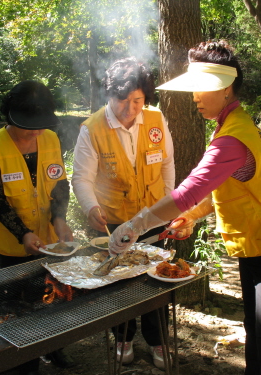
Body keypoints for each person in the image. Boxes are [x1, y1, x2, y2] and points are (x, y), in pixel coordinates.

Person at [109, 41, 261, 375]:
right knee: (257, 335)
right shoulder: (235, 125)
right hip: (258, 247)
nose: (195, 96)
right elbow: (230, 189)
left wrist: (135, 225)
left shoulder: (233, 138)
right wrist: (193, 217)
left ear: (227, 88)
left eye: (203, 88)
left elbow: (186, 192)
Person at [71, 57, 175, 370]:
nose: (130, 109)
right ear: (109, 95)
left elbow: (167, 163)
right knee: (119, 284)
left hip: (154, 219)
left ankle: (157, 341)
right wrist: (90, 206)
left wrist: (168, 202)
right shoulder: (92, 129)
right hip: (115, 223)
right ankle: (124, 337)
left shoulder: (156, 119)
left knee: (156, 281)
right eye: (122, 100)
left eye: (137, 101)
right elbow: (81, 178)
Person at [0, 80, 75, 374]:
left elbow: (59, 183)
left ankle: (53, 348)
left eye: (40, 124)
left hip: (47, 240)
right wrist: (23, 233)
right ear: (10, 116)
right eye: (28, 125)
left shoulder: (50, 139)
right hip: (11, 244)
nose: (35, 131)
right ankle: (23, 362)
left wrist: (59, 217)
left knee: (52, 298)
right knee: (17, 306)